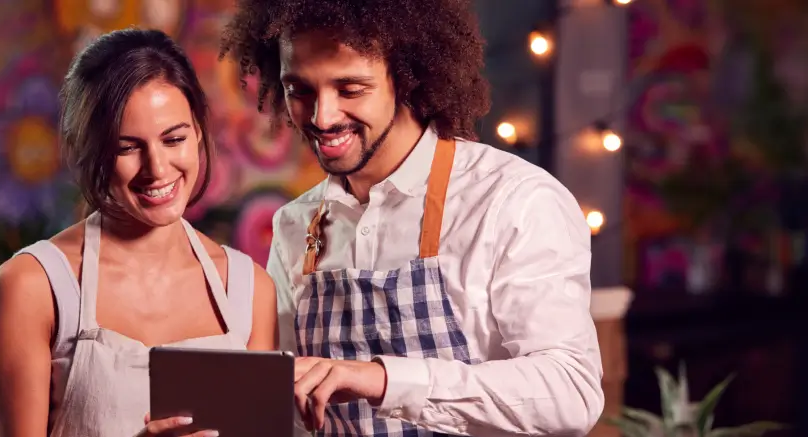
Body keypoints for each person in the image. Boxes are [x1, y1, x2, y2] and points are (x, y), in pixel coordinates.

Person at [219, 0, 604, 436]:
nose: (322, 117)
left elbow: (571, 392)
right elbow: (285, 408)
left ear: (404, 79)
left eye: (350, 89)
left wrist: (382, 380)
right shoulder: (296, 224)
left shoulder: (512, 200)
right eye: (300, 90)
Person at [0, 28, 277, 437]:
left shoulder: (249, 290)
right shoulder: (32, 286)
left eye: (174, 139)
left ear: (199, 132)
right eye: (127, 147)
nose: (157, 168)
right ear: (92, 149)